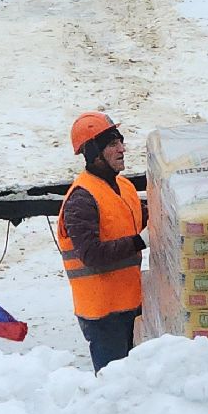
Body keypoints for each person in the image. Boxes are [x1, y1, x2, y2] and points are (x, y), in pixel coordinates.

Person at [55, 111, 145, 371]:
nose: (122, 149)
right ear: (94, 151)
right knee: (116, 390)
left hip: (132, 305)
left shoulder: (124, 188)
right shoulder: (81, 199)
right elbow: (91, 255)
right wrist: (140, 242)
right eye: (112, 144)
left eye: (121, 142)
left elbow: (143, 218)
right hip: (103, 315)